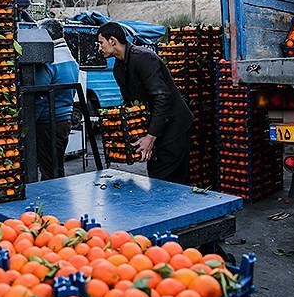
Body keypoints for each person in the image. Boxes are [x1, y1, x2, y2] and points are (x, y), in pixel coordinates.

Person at [97, 21, 194, 184]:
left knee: (167, 180)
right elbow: (132, 106)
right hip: (158, 127)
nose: (99, 48)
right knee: (157, 175)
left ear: (112, 41)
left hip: (174, 127)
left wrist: (150, 137)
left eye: (101, 43)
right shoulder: (119, 68)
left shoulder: (143, 58)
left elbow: (163, 97)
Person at [34, 18, 80, 181]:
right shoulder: (70, 59)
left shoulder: (49, 60)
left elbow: (39, 96)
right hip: (64, 121)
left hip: (47, 122)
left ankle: (51, 204)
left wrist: (29, 121)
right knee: (57, 167)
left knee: (48, 170)